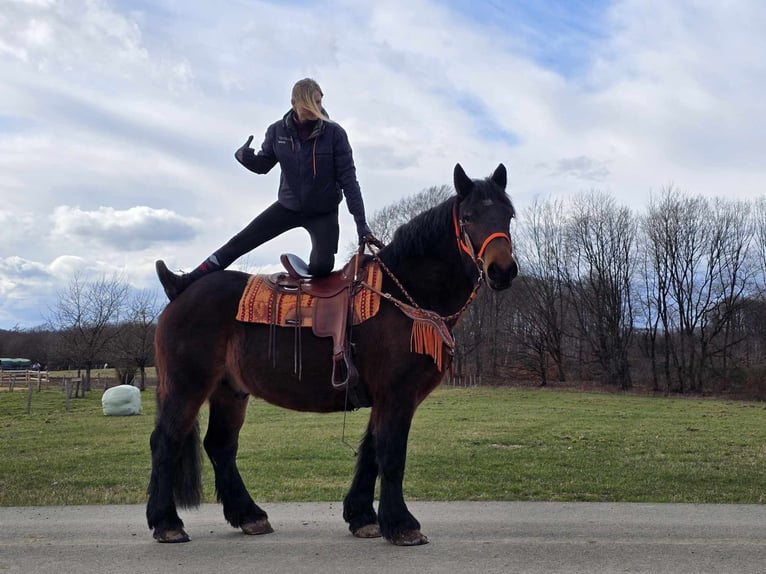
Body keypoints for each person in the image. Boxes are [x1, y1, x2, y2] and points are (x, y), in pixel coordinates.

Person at [156, 78, 377, 301]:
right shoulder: (276, 131)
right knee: (238, 243)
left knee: (322, 266)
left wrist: (362, 226)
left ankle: (302, 288)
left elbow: (349, 181)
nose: (315, 110)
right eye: (309, 105)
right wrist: (245, 158)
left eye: (318, 103)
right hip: (288, 206)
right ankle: (184, 282)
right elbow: (263, 165)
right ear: (293, 103)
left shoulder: (335, 134)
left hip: (323, 212)